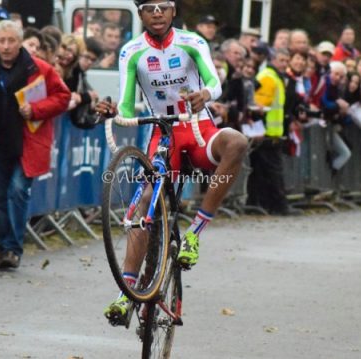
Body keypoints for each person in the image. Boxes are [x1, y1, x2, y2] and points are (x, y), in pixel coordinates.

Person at [95, 0, 248, 323]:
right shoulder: (131, 51)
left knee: (237, 141)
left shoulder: (192, 42)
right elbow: (125, 104)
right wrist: (113, 111)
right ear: (140, 14)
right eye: (149, 7)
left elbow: (215, 82)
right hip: (161, 133)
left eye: (163, 6)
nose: (157, 13)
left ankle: (194, 233)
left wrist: (204, 95)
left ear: (173, 10)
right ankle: (126, 293)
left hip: (197, 127)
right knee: (145, 203)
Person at [0, 20, 71, 269]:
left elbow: (62, 96)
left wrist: (35, 109)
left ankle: (13, 248)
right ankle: (4, 249)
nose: (7, 46)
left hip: (28, 142)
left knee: (18, 190)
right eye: (2, 41)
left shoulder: (39, 68)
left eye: (12, 41)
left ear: (20, 42)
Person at [248, 48, 302, 215]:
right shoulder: (268, 77)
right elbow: (260, 106)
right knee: (273, 171)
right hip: (267, 132)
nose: (284, 64)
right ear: (272, 60)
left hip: (273, 131)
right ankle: (278, 206)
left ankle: (261, 204)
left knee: (263, 172)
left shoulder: (275, 77)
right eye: (281, 60)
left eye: (287, 61)